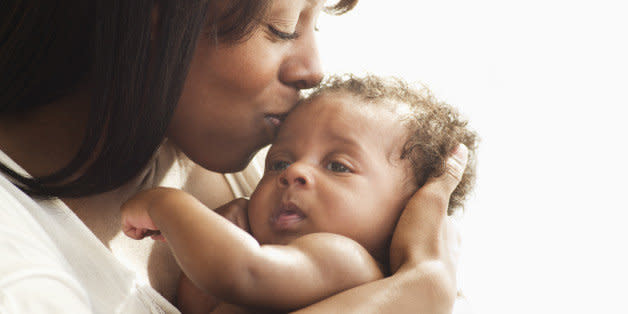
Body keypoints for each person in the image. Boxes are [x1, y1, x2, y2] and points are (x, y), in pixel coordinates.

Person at [0, 1, 464, 313]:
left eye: (314, 24)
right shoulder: (20, 276)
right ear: (159, 15)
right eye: (282, 28)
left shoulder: (231, 167)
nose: (313, 69)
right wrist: (418, 289)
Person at [120, 74, 478, 313]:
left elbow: (241, 274)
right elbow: (195, 302)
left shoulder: (346, 260)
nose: (294, 172)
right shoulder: (292, 262)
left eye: (338, 166)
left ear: (406, 212)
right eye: (278, 163)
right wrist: (224, 230)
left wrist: (167, 203)